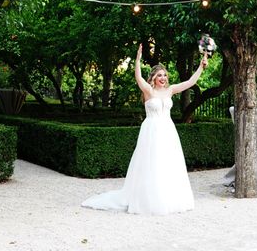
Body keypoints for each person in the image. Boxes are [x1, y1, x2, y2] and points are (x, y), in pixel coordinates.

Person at [82, 43, 208, 215]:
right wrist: (138, 60)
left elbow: (190, 82)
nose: (163, 78)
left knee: (169, 164)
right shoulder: (149, 91)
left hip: (168, 132)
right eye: (159, 75)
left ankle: (170, 199)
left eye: (165, 75)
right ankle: (151, 200)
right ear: (154, 78)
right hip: (152, 131)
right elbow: (139, 78)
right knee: (152, 164)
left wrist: (201, 66)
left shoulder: (170, 90)